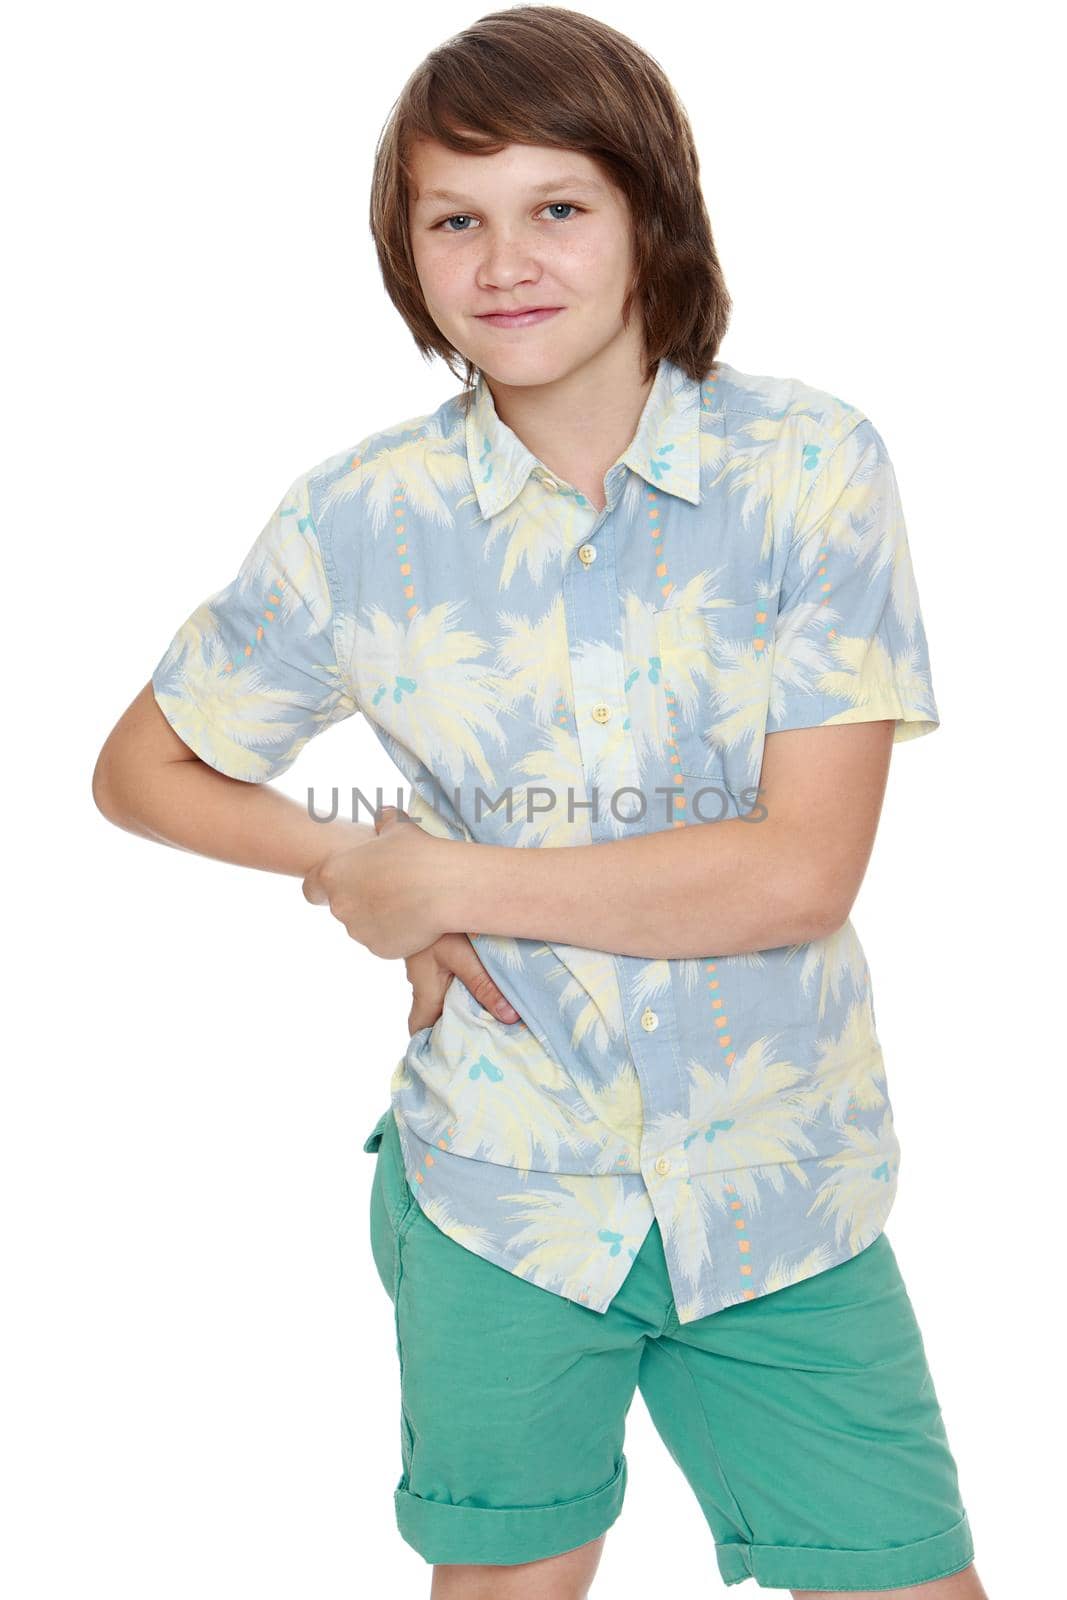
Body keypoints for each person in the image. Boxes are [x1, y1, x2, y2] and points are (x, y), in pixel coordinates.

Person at [92, 8, 988, 1598]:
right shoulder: (360, 520)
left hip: (786, 1198)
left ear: (652, 212)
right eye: (457, 218)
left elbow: (797, 877)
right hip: (495, 1196)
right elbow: (141, 769)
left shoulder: (813, 467)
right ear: (410, 252)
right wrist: (353, 859)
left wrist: (446, 882)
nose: (504, 260)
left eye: (556, 207)